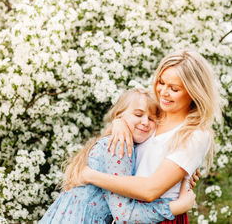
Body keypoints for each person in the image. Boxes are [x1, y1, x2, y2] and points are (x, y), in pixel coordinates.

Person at [81, 50, 223, 223]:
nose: (163, 92)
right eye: (161, 82)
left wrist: (90, 176)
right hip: (126, 211)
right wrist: (119, 122)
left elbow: (150, 190)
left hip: (159, 216)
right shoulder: (151, 115)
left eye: (174, 88)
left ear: (194, 92)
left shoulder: (195, 134)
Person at [39, 88, 195, 224]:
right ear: (119, 115)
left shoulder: (125, 143)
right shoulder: (120, 147)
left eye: (152, 118)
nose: (145, 122)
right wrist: (176, 207)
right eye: (138, 114)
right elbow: (124, 215)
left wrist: (179, 172)